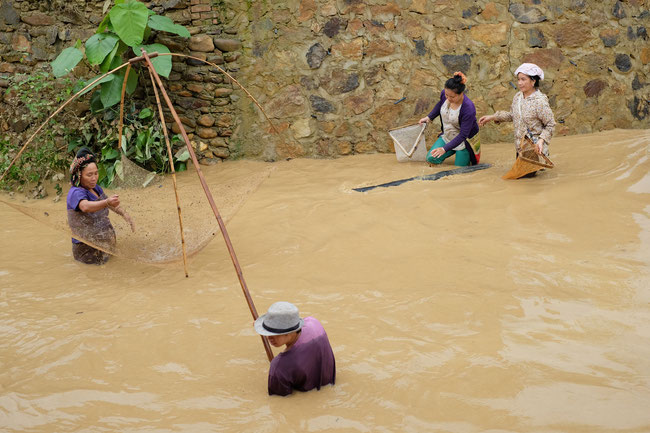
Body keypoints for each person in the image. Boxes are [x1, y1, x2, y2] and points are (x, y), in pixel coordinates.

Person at [66, 147, 135, 264]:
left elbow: (108, 203)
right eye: (89, 175)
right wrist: (107, 202)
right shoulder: (76, 192)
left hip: (103, 244)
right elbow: (85, 206)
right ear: (79, 175)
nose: (94, 178)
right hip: (87, 249)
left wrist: (124, 213)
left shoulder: (95, 188)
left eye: (96, 173)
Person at [254, 301, 335, 396]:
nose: (268, 337)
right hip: (328, 385)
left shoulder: (279, 367)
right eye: (267, 332)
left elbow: (279, 404)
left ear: (289, 333)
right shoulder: (314, 323)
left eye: (274, 334)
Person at [478, 62, 556, 158]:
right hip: (520, 149)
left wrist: (541, 140)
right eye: (518, 79)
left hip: (535, 150)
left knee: (523, 173)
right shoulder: (518, 97)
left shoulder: (540, 102)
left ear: (533, 81)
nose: (519, 83)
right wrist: (492, 117)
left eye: (523, 79)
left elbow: (550, 124)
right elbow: (512, 115)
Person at [418, 71, 480, 166]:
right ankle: (450, 149)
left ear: (461, 93)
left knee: (459, 170)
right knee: (431, 159)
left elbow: (463, 135)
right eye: (447, 95)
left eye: (452, 97)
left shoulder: (468, 108)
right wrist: (429, 117)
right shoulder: (445, 94)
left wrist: (444, 149)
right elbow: (440, 105)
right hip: (448, 136)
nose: (448, 98)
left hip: (464, 141)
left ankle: (460, 154)